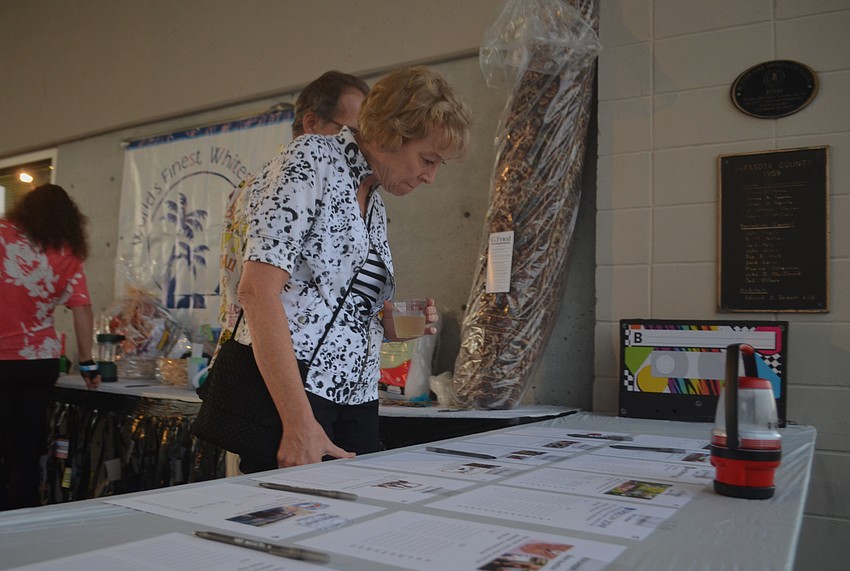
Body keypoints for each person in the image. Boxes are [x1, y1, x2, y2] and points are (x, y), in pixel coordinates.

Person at [224, 66, 471, 473]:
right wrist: (298, 422)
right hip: (297, 393)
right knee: (288, 509)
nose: (430, 176)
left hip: (355, 395)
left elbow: (327, 302)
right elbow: (256, 291)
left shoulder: (374, 197)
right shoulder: (312, 157)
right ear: (390, 133)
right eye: (427, 159)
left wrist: (385, 325)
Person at [0, 184, 100, 510]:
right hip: (40, 361)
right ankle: (23, 515)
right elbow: (82, 308)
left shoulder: (3, 234)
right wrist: (87, 363)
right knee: (27, 446)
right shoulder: (67, 250)